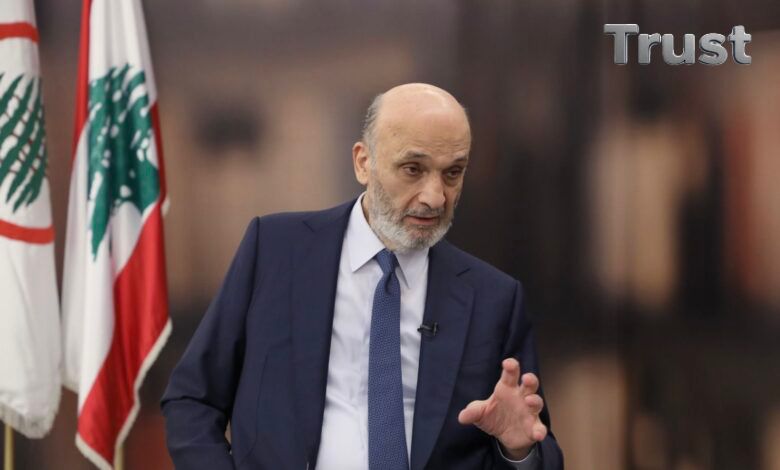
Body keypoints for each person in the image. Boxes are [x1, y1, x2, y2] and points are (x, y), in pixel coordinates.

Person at [161, 83, 564, 470]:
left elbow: (539, 448)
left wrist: (517, 450)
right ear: (363, 162)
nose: (434, 197)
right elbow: (192, 400)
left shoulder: (494, 299)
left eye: (452, 173)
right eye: (413, 169)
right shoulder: (275, 251)